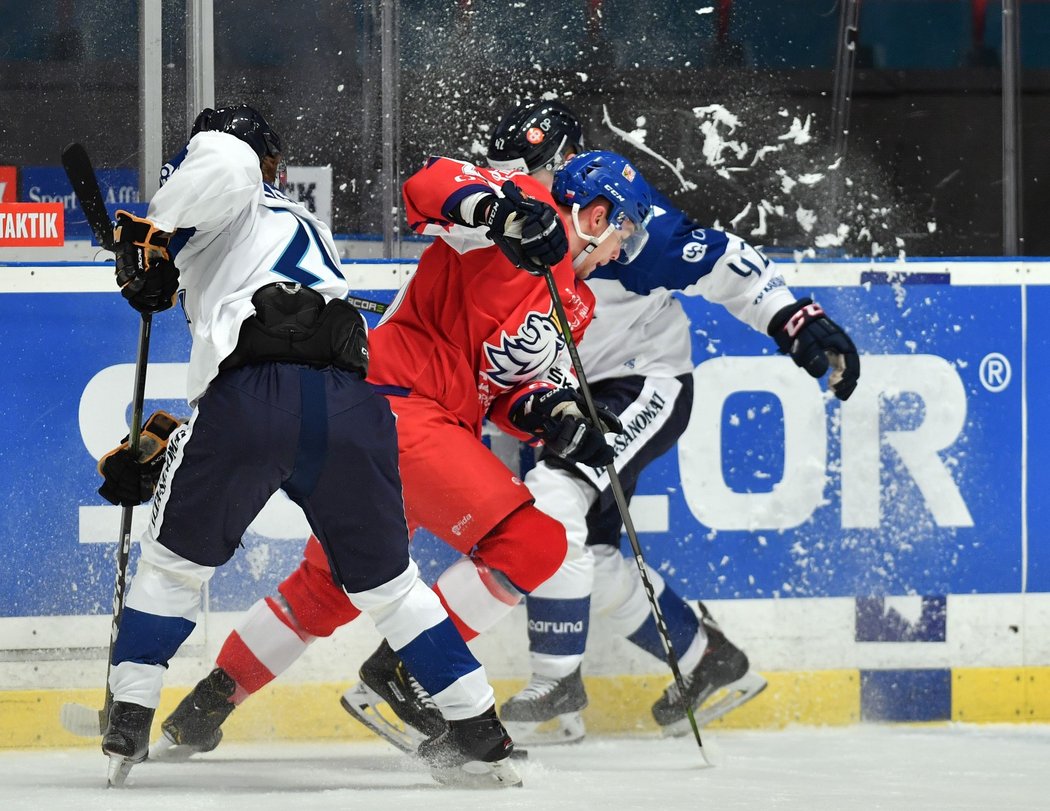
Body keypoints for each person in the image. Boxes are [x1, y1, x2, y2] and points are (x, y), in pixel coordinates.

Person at [144, 146, 653, 756]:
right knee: (534, 542)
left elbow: (506, 393)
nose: (623, 251)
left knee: (330, 586)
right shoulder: (526, 206)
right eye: (624, 232)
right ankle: (407, 676)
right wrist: (502, 213)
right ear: (596, 215)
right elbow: (429, 184)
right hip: (397, 402)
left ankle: (204, 707)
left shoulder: (577, 303)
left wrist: (557, 416)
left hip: (426, 425)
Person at [94, 103, 521, 789]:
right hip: (352, 405)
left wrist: (151, 237)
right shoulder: (300, 222)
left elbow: (223, 164)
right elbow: (281, 362)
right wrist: (169, 439)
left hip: (249, 403)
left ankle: (131, 714)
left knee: (173, 567)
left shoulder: (223, 166)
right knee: (391, 585)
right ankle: (478, 729)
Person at [483, 101, 859, 743]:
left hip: (637, 381)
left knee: (554, 495)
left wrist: (793, 318)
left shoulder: (633, 228)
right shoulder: (501, 209)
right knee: (583, 548)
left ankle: (557, 684)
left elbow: (724, 261)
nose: (517, 188)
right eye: (506, 174)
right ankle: (705, 661)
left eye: (531, 173)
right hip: (549, 392)